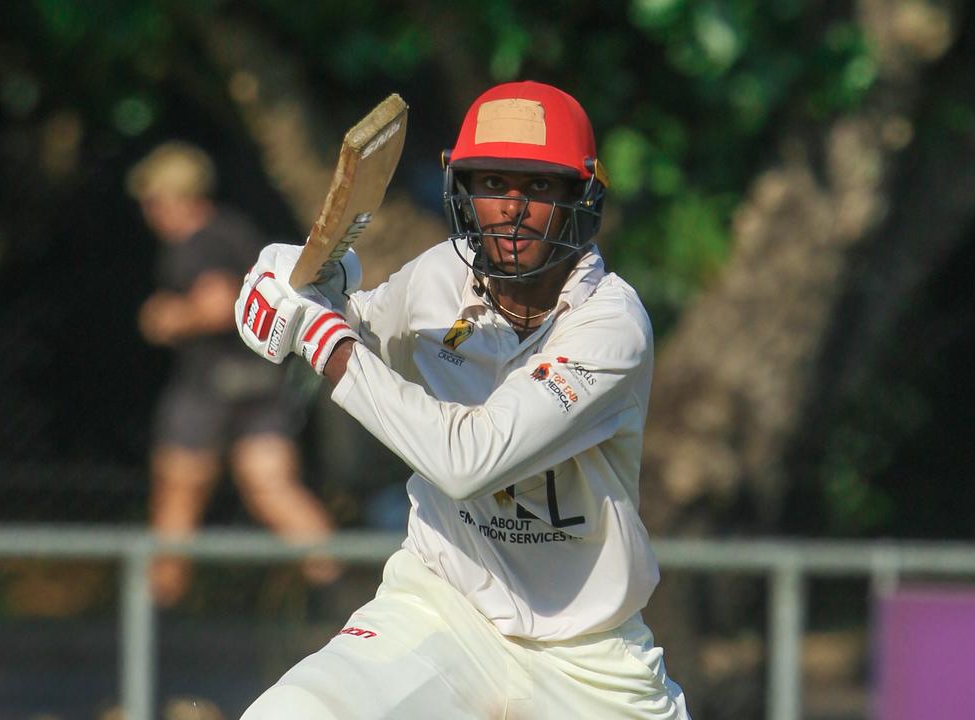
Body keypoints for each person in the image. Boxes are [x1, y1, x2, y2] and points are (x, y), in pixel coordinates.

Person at [234, 81, 688, 718]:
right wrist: (305, 294)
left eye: (539, 187)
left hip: (587, 656)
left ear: (580, 197)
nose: (513, 208)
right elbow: (357, 338)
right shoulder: (440, 275)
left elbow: (469, 461)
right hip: (442, 605)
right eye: (494, 184)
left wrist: (320, 339)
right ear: (464, 189)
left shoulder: (612, 323)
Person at [127, 142, 337, 606]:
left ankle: (155, 619)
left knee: (178, 496)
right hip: (260, 384)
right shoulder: (235, 231)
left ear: (169, 197)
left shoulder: (196, 244)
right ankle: (339, 589)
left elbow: (218, 304)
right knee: (274, 489)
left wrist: (166, 317)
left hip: (207, 390)